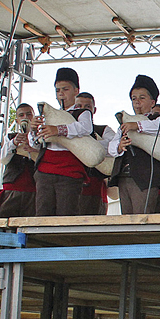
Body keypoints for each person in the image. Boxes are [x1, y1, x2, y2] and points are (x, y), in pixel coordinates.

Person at [29, 67, 93, 217]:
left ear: (76, 90)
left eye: (65, 89)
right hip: (45, 171)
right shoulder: (48, 115)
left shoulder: (82, 113)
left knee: (66, 214)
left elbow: (85, 128)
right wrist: (33, 130)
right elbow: (34, 145)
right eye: (58, 90)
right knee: (42, 214)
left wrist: (58, 130)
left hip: (69, 171)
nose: (61, 94)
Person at [107, 75, 160, 215]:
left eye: (142, 98)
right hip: (124, 177)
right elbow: (111, 147)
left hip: (145, 178)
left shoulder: (156, 120)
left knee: (141, 219)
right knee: (126, 219)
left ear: (152, 102)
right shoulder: (125, 123)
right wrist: (119, 146)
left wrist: (136, 125)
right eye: (134, 99)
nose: (137, 103)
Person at [74, 92, 115, 215]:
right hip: (69, 188)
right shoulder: (64, 131)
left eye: (87, 107)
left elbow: (114, 145)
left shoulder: (103, 130)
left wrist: (87, 144)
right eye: (78, 106)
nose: (82, 110)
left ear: (94, 110)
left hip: (95, 190)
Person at [0, 103, 37, 218]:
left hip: (34, 190)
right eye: (21, 115)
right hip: (12, 189)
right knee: (5, 221)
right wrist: (14, 143)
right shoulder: (9, 138)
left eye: (29, 114)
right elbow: (3, 159)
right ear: (17, 120)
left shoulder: (41, 138)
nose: (25, 117)